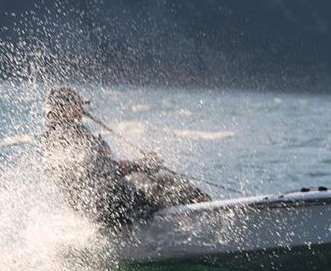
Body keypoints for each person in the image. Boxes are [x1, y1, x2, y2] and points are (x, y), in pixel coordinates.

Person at [40, 87, 209, 226]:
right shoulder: (68, 136)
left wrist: (139, 167)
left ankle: (202, 216)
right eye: (77, 105)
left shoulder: (56, 135)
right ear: (64, 107)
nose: (81, 110)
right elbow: (101, 171)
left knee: (156, 182)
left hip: (94, 203)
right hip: (108, 204)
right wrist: (141, 165)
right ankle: (200, 223)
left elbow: (101, 169)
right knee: (169, 189)